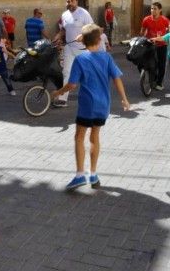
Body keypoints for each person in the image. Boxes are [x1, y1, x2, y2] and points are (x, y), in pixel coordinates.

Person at [51, 24, 130, 190]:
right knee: (95, 136)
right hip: (103, 106)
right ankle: (93, 174)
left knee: (79, 136)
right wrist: (124, 99)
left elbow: (72, 85)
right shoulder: (107, 57)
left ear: (83, 41)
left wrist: (58, 92)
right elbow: (117, 79)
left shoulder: (80, 59)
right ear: (100, 39)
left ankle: (80, 175)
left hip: (87, 105)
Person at [52, 0, 94, 107]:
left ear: (77, 1)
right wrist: (57, 37)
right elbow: (63, 30)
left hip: (83, 50)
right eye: (68, 1)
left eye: (72, 1)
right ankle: (62, 99)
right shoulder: (64, 14)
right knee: (66, 73)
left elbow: (92, 28)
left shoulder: (84, 13)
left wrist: (83, 36)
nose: (70, 3)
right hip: (69, 48)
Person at [140, 2, 170, 90]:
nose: (153, 10)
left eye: (155, 9)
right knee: (148, 62)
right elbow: (142, 30)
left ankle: (159, 83)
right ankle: (148, 76)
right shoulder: (146, 19)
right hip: (149, 44)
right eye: (152, 8)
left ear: (160, 10)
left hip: (162, 45)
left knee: (161, 64)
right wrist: (141, 37)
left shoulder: (165, 20)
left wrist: (168, 38)